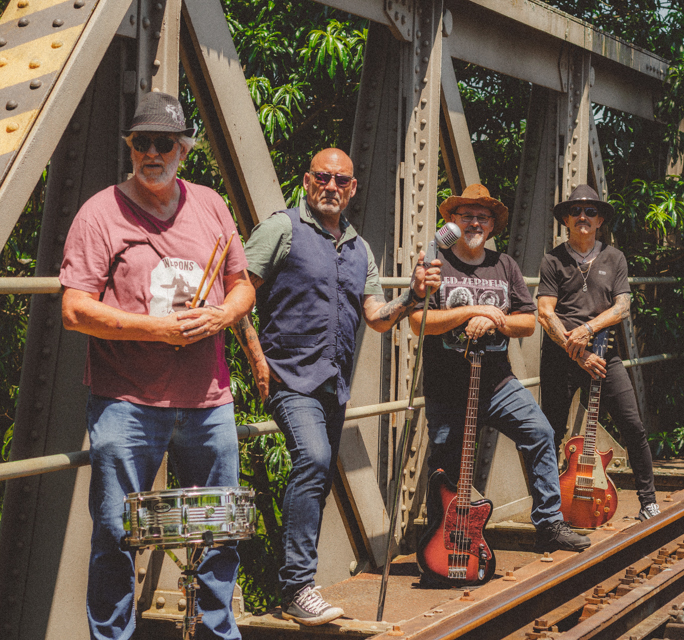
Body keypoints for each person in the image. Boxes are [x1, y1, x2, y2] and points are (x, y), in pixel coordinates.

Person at [60, 91, 254, 640]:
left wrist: (221, 316)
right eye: (141, 142)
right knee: (115, 533)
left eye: (163, 143)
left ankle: (216, 632)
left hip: (209, 400)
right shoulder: (99, 213)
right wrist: (156, 329)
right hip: (127, 402)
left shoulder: (210, 205)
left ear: (183, 150)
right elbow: (75, 309)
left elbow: (241, 286)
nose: (152, 153)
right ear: (129, 147)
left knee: (220, 530)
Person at [233, 148, 440, 625]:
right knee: (313, 459)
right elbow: (238, 291)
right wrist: (257, 359)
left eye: (341, 180)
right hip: (289, 378)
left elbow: (378, 318)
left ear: (352, 189)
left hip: (333, 384)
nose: (331, 186)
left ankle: (299, 583)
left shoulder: (359, 248)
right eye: (322, 177)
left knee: (319, 477)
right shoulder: (282, 229)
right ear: (308, 182)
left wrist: (413, 296)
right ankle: (297, 587)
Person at [409, 183, 591, 556]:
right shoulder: (436, 264)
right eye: (467, 216)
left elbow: (527, 322)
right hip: (448, 387)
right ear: (452, 221)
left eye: (483, 217)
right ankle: (442, 543)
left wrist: (496, 321)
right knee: (446, 464)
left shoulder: (504, 265)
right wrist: (474, 311)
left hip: (497, 384)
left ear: (492, 226)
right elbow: (418, 322)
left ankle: (549, 524)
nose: (475, 223)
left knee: (540, 432)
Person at [537, 184, 660, 521]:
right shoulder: (552, 259)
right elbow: (545, 313)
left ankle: (649, 502)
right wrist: (577, 353)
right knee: (550, 433)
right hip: (561, 356)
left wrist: (588, 330)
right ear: (566, 219)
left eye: (590, 211)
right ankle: (549, 511)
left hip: (605, 354)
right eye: (575, 211)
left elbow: (622, 307)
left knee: (632, 425)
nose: (583, 216)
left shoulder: (614, 258)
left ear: (600, 220)